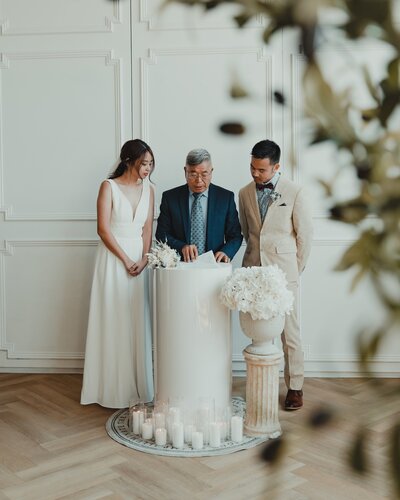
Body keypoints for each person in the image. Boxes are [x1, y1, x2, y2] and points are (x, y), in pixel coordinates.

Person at [239, 140, 313, 410]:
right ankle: (261, 382)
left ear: (276, 167)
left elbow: (305, 236)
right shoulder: (244, 192)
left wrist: (294, 269)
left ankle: (295, 387)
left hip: (284, 273)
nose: (255, 174)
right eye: (252, 168)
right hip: (253, 272)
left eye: (261, 170)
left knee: (289, 331)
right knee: (257, 329)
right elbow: (248, 233)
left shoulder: (295, 191)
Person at [81, 139, 155, 408]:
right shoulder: (108, 187)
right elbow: (103, 229)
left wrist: (145, 258)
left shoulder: (150, 189)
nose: (147, 169)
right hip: (113, 260)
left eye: (150, 164)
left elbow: (147, 229)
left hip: (139, 261)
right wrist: (125, 259)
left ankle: (136, 386)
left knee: (134, 319)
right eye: (142, 163)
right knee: (113, 318)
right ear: (128, 161)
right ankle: (111, 388)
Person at [155, 148, 242, 263]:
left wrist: (226, 251)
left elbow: (235, 235)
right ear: (185, 171)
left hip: (214, 265)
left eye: (204, 174)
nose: (199, 181)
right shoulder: (170, 198)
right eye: (193, 174)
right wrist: (181, 247)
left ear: (211, 171)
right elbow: (161, 234)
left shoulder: (225, 198)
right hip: (181, 266)